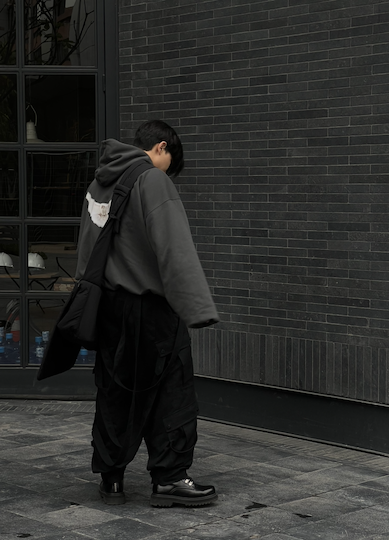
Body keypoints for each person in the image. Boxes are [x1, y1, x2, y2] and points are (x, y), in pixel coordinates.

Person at [75, 120, 219, 508]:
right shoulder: (152, 180)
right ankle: (169, 479)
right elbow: (175, 248)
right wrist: (197, 306)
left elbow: (87, 249)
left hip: (110, 307)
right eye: (169, 165)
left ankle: (112, 478)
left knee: (114, 391)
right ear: (161, 147)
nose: (168, 174)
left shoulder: (99, 183)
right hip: (152, 308)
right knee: (172, 392)